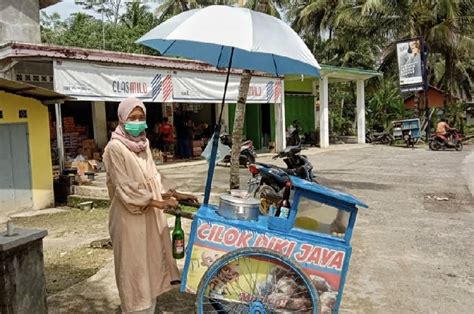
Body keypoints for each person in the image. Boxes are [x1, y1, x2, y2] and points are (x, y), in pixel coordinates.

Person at [103, 97, 197, 313]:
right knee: (134, 269)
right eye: (132, 118)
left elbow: (155, 178)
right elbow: (125, 188)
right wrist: (159, 203)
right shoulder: (114, 149)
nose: (137, 122)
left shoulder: (143, 146)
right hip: (129, 220)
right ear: (121, 119)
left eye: (141, 118)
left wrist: (176, 194)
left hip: (150, 216)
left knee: (151, 264)